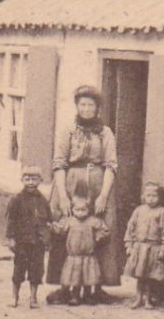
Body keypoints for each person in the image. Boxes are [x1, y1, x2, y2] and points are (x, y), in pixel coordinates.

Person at [48, 84, 119, 303]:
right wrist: (61, 195)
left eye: (91, 105)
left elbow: (111, 165)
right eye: (83, 105)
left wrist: (104, 195)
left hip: (98, 184)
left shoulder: (105, 132)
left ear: (97, 108)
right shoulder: (68, 130)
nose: (87, 109)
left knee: (101, 230)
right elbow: (59, 163)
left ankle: (96, 286)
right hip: (69, 184)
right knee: (66, 230)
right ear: (77, 107)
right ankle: (64, 286)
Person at [4, 165, 52, 308]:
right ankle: (14, 297)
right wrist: (11, 238)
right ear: (22, 180)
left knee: (36, 271)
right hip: (22, 242)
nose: (30, 182)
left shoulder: (43, 200)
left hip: (38, 243)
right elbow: (11, 220)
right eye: (27, 179)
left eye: (34, 179)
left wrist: (48, 236)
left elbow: (48, 220)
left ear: (40, 180)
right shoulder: (17, 200)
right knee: (18, 269)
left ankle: (33, 298)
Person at [123, 181, 164, 308]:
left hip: (153, 248)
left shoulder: (162, 212)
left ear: (159, 197)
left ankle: (148, 299)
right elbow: (130, 228)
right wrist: (129, 245)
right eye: (148, 196)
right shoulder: (139, 211)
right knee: (140, 276)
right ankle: (138, 298)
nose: (151, 199)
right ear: (144, 197)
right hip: (140, 247)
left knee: (150, 276)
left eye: (154, 196)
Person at [51, 196, 109, 305]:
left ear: (88, 210)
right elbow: (61, 230)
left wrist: (98, 236)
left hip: (88, 255)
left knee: (88, 277)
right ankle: (75, 296)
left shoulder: (93, 221)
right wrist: (54, 227)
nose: (80, 213)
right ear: (72, 210)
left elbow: (104, 230)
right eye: (77, 210)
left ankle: (87, 296)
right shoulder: (69, 221)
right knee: (75, 277)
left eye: (83, 210)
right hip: (74, 256)